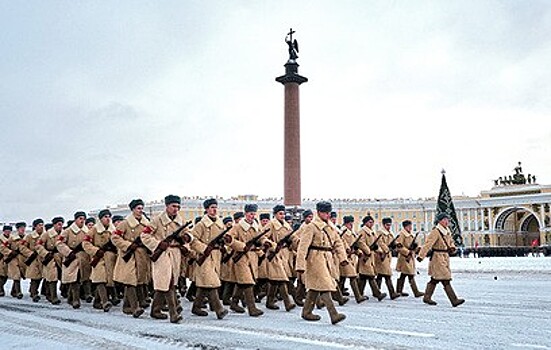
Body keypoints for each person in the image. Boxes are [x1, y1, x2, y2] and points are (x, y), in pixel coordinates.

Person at [296, 201, 347, 324]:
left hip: (327, 258)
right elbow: (302, 247)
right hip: (315, 259)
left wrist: (343, 258)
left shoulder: (331, 227)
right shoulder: (311, 227)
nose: (328, 215)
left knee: (315, 287)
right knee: (325, 285)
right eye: (325, 212)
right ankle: (333, 314)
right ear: (319, 213)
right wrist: (300, 265)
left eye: (329, 212)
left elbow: (338, 243)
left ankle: (306, 312)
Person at [141, 195, 187, 323]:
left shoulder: (180, 221)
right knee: (169, 283)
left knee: (164, 283)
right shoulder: (157, 220)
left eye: (178, 206)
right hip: (161, 254)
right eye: (173, 206)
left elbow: (188, 235)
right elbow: (144, 236)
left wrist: (186, 240)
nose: (176, 209)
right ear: (166, 206)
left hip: (175, 253)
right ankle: (174, 313)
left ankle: (155, 310)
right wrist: (158, 244)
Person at [226, 204, 272, 317]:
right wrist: (242, 246)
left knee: (243, 282)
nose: (253, 216)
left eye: (254, 214)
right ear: (245, 213)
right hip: (241, 257)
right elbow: (228, 239)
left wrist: (265, 242)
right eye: (251, 213)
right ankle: (252, 308)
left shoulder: (256, 226)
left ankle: (234, 303)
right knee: (247, 282)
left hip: (252, 257)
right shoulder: (237, 227)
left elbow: (261, 237)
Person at [187, 198, 229, 319]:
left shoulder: (220, 224)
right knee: (212, 283)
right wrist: (204, 248)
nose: (214, 210)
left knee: (204, 284)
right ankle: (219, 310)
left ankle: (196, 307)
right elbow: (192, 240)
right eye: (211, 207)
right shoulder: (201, 225)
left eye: (216, 207)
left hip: (216, 255)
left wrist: (224, 242)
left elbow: (225, 238)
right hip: (204, 256)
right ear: (206, 209)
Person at [111, 199, 151, 318]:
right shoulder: (125, 223)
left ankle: (126, 306)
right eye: (138, 208)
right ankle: (134, 308)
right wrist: (128, 245)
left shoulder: (146, 223)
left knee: (138, 281)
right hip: (129, 255)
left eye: (142, 208)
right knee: (130, 281)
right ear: (133, 209)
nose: (141, 210)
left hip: (142, 255)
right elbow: (115, 237)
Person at [417, 213, 465, 307]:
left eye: (447, 220)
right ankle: (454, 300)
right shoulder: (435, 231)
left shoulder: (447, 231)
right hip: (437, 258)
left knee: (435, 279)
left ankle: (427, 297)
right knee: (445, 278)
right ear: (440, 221)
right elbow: (428, 244)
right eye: (445, 220)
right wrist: (421, 256)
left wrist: (452, 248)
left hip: (445, 256)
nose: (447, 222)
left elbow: (450, 242)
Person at [82, 209, 117, 311]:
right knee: (100, 279)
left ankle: (97, 301)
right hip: (98, 257)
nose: (108, 219)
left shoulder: (113, 230)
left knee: (107, 280)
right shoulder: (93, 230)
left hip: (110, 257)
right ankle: (105, 301)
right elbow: (86, 243)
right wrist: (95, 251)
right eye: (105, 217)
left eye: (109, 217)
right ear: (100, 219)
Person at [56, 212, 91, 308]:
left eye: (84, 218)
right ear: (75, 219)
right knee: (74, 279)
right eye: (80, 218)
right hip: (71, 257)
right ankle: (75, 299)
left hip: (84, 257)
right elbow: (59, 243)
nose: (82, 220)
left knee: (84, 278)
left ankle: (74, 297)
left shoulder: (87, 231)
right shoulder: (67, 231)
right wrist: (68, 252)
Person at [264, 205, 296, 312]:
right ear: (275, 214)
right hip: (274, 254)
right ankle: (288, 303)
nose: (282, 216)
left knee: (275, 280)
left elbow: (293, 237)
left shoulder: (286, 225)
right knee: (282, 278)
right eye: (280, 213)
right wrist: (273, 245)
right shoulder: (271, 224)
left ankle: (269, 301)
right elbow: (263, 237)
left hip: (285, 253)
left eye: (283, 213)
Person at [356, 216, 387, 301]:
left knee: (363, 277)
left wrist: (379, 251)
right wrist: (368, 251)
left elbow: (375, 244)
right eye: (370, 222)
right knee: (371, 276)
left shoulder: (372, 232)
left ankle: (359, 294)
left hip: (370, 256)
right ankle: (377, 294)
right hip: (365, 256)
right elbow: (361, 243)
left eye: (372, 222)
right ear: (365, 222)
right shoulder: (362, 231)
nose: (371, 224)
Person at [339, 216, 367, 303]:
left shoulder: (351, 232)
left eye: (352, 222)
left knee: (342, 277)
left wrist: (358, 252)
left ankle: (338, 295)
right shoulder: (342, 232)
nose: (351, 224)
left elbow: (354, 244)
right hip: (344, 257)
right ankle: (358, 296)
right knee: (352, 276)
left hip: (351, 257)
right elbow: (340, 244)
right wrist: (347, 251)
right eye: (349, 223)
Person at [36, 217, 64, 304]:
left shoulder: (64, 233)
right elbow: (38, 245)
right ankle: (53, 297)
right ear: (54, 225)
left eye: (61, 224)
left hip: (61, 257)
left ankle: (49, 292)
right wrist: (46, 253)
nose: (60, 226)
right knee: (52, 276)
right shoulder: (47, 234)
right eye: (59, 224)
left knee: (63, 276)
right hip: (50, 257)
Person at [394, 220, 424, 298]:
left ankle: (399, 291)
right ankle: (416, 292)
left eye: (411, 226)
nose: (411, 227)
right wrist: (407, 252)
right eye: (409, 226)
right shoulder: (402, 234)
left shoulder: (410, 235)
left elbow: (413, 245)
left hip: (410, 257)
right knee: (410, 274)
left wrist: (416, 248)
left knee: (404, 274)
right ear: (405, 227)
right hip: (404, 257)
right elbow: (399, 246)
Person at [20, 219, 45, 302]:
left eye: (42, 225)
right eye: (39, 225)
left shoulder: (46, 235)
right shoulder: (29, 236)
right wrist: (30, 253)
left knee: (42, 276)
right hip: (33, 258)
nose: (41, 226)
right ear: (35, 226)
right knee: (35, 277)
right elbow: (22, 247)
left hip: (43, 258)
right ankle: (34, 293)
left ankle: (33, 290)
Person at [375, 218, 400, 299]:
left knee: (380, 275)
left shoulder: (390, 233)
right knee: (387, 274)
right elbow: (380, 243)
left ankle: (376, 291)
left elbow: (393, 242)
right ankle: (392, 293)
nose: (389, 226)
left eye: (390, 225)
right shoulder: (380, 233)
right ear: (383, 224)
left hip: (387, 256)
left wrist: (396, 245)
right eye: (387, 225)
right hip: (382, 255)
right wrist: (386, 249)